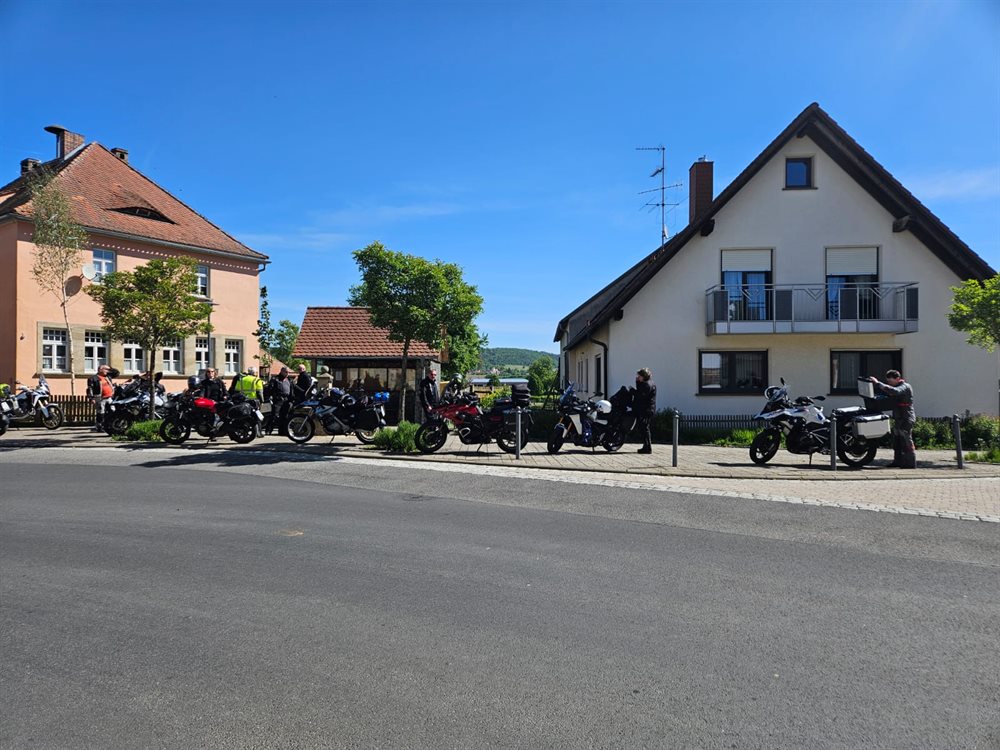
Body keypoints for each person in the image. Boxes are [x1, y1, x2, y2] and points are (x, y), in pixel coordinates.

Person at [867, 369, 916, 469]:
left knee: (906, 439)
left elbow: (895, 392)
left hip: (906, 417)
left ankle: (910, 463)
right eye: (888, 381)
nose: (889, 383)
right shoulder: (896, 386)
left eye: (890, 381)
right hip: (899, 418)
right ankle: (898, 461)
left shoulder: (905, 386)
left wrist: (878, 383)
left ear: (897, 379)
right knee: (897, 440)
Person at [632, 367, 656, 454]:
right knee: (643, 428)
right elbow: (639, 391)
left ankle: (648, 447)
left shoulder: (647, 385)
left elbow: (640, 395)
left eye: (639, 376)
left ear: (644, 376)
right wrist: (637, 382)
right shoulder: (647, 383)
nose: (637, 377)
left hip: (646, 410)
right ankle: (646, 446)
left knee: (645, 428)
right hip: (646, 409)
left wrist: (632, 391)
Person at [264, 366, 292, 435]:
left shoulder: (289, 380)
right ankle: (268, 430)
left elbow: (292, 389)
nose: (287, 373)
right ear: (282, 371)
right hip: (278, 400)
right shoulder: (275, 379)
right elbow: (269, 389)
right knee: (274, 415)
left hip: (286, 400)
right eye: (286, 372)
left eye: (288, 372)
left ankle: (282, 431)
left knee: (284, 416)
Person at [86, 364, 114, 431]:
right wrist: (91, 398)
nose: (107, 371)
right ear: (100, 370)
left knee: (112, 411)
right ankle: (99, 426)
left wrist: (110, 369)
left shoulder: (108, 377)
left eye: (108, 370)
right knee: (101, 413)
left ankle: (109, 425)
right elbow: (90, 389)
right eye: (106, 369)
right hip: (100, 398)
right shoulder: (93, 378)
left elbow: (116, 373)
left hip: (109, 397)